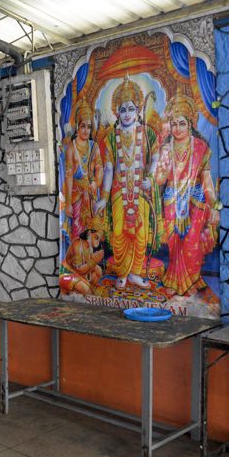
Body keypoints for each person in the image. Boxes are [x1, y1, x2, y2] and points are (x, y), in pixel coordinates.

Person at [95, 76, 159, 290]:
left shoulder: (148, 133)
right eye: (123, 110)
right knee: (119, 232)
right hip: (118, 192)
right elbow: (109, 169)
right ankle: (122, 273)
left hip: (140, 190)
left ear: (138, 110)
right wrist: (104, 198)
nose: (127, 114)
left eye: (131, 108)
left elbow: (156, 158)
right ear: (117, 112)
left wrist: (149, 177)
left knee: (141, 233)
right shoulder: (110, 139)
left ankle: (135, 274)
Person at [155, 94, 219, 296]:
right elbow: (158, 180)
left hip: (195, 200)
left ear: (190, 123)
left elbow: (207, 179)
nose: (177, 129)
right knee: (175, 245)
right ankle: (175, 281)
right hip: (173, 199)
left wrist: (215, 206)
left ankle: (191, 280)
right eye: (173, 124)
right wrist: (163, 169)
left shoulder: (201, 147)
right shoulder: (166, 148)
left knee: (192, 244)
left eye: (181, 123)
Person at [64, 98, 103, 239]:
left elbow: (99, 168)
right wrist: (68, 203)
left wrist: (96, 183)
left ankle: (89, 259)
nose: (86, 130)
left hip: (91, 193)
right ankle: (78, 258)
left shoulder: (94, 147)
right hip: (76, 195)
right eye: (83, 126)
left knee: (92, 230)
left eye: (89, 126)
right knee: (77, 229)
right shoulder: (71, 148)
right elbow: (68, 176)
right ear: (77, 127)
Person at [60, 229, 104, 295]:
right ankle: (71, 291)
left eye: (99, 240)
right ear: (89, 233)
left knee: (98, 270)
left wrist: (94, 261)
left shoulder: (90, 249)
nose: (98, 242)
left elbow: (88, 269)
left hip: (79, 275)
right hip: (67, 273)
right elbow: (78, 270)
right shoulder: (77, 244)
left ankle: (82, 289)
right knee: (87, 292)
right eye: (96, 238)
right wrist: (93, 261)